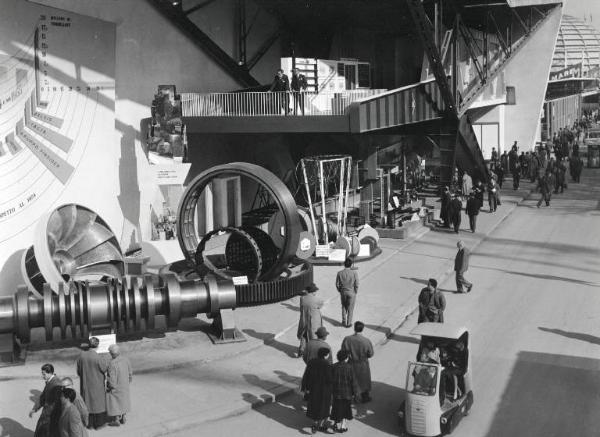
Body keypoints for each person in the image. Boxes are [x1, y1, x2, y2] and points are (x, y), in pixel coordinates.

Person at [76, 337, 109, 429]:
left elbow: (78, 371)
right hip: (97, 384)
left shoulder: (81, 356)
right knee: (98, 404)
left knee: (87, 403)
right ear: (97, 346)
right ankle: (99, 424)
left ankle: (89, 424)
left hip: (85, 384)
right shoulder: (98, 357)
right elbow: (104, 368)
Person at [301, 347, 333, 434]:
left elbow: (306, 375)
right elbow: (329, 379)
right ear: (325, 355)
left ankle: (314, 424)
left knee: (314, 405)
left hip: (313, 388)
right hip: (324, 390)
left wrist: (305, 388)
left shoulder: (311, 362)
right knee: (323, 407)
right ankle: (321, 425)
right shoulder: (327, 364)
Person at [341, 321, 374, 403]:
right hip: (363, 364)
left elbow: (343, 351)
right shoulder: (366, 341)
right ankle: (364, 397)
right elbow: (370, 354)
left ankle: (351, 396)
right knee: (364, 381)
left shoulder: (347, 339)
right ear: (363, 329)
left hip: (351, 363)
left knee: (351, 380)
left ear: (354, 328)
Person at [30, 363, 62, 437]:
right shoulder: (50, 381)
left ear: (50, 373)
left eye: (44, 374)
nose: (42, 376)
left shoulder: (56, 384)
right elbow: (43, 397)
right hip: (47, 414)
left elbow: (58, 402)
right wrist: (35, 409)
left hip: (51, 416)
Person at [106, 344, 132, 427]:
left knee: (114, 401)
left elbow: (112, 380)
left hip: (116, 388)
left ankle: (116, 419)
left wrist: (109, 387)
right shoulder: (126, 359)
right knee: (123, 400)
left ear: (112, 354)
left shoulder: (112, 364)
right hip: (124, 385)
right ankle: (123, 417)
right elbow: (130, 372)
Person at [330, 350, 357, 433]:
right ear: (346, 358)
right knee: (345, 409)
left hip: (336, 392)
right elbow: (353, 381)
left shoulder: (333, 366)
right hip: (347, 392)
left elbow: (330, 380)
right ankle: (343, 426)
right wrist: (355, 393)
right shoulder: (349, 367)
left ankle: (335, 423)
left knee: (336, 408)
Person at [297, 283, 324, 358]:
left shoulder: (302, 298)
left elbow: (301, 308)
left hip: (304, 320)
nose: (316, 292)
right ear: (312, 291)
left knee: (304, 334)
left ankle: (301, 349)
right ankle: (312, 352)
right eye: (315, 291)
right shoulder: (317, 299)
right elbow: (321, 305)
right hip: (314, 321)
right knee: (313, 336)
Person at [335, 258, 359, 327]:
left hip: (343, 292)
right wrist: (355, 291)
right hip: (351, 292)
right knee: (350, 308)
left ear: (344, 264)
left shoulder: (339, 273)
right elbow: (357, 283)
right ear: (351, 265)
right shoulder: (354, 273)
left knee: (344, 307)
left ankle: (343, 321)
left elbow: (337, 284)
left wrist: (340, 290)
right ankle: (349, 323)